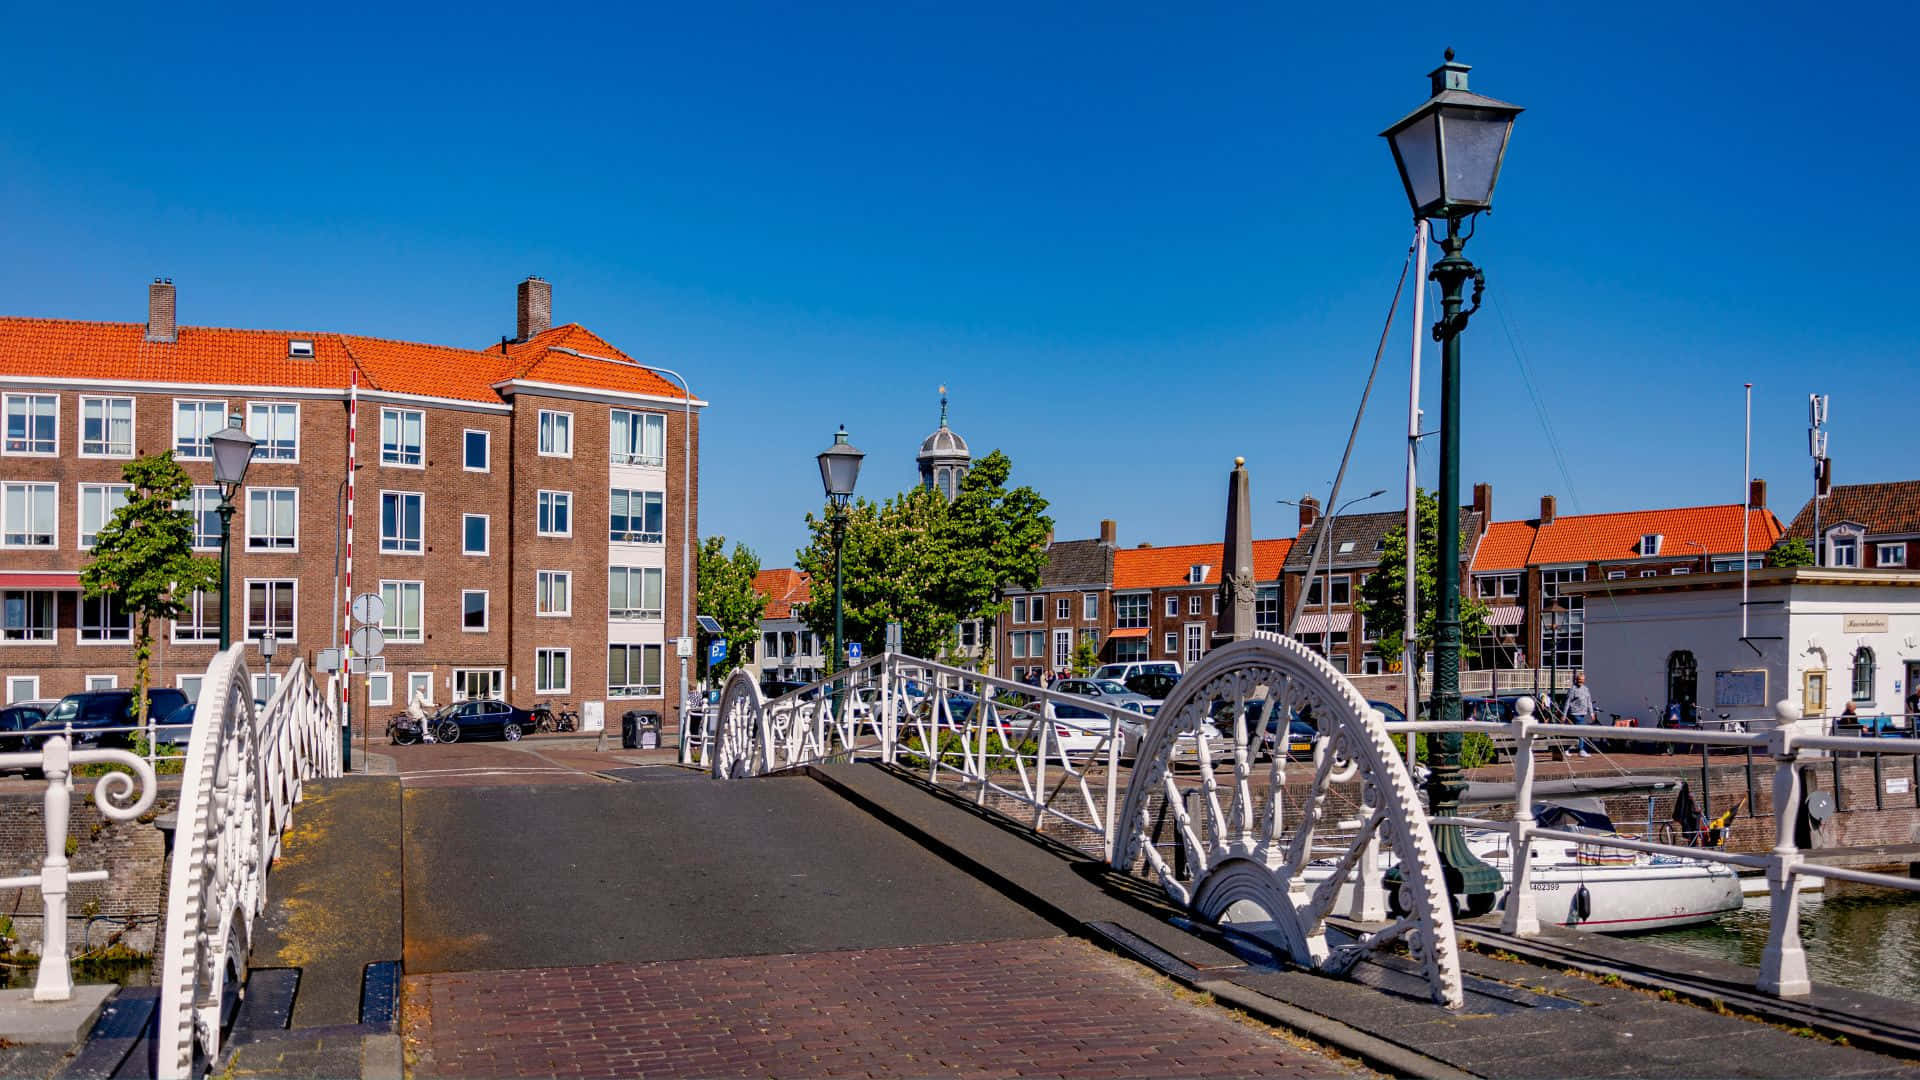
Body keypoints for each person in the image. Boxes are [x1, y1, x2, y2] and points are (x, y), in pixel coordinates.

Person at [1564, 672, 1596, 757]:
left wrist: (1591, 713)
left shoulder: (1586, 689)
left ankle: (1566, 749)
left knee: (1573, 732)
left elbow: (1589, 701)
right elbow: (1567, 702)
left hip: (1583, 713)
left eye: (1581, 680)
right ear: (1576, 680)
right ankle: (1581, 750)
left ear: (1584, 680)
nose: (1580, 681)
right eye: (1578, 680)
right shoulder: (1572, 689)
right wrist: (1564, 714)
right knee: (1581, 731)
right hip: (1575, 713)